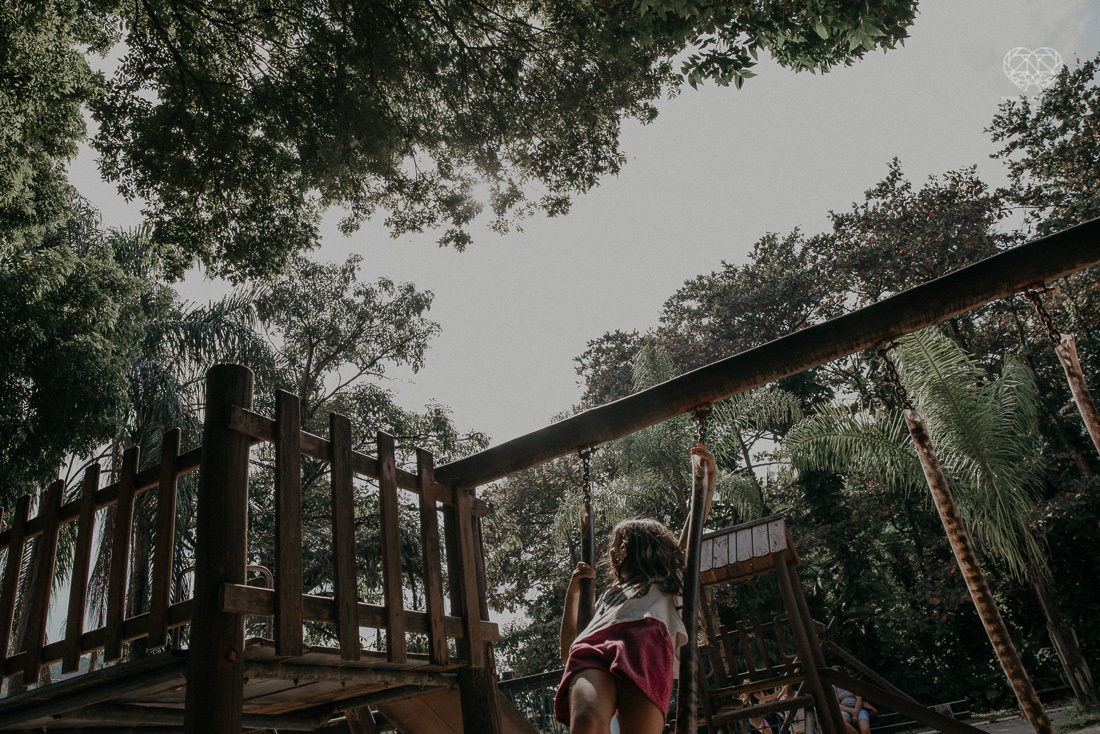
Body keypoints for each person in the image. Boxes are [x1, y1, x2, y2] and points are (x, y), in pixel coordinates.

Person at [555, 446, 717, 734]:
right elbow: (569, 650)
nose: (612, 550)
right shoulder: (609, 595)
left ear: (639, 549)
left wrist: (705, 484)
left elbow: (694, 525)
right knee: (587, 724)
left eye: (619, 543)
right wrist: (573, 596)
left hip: (645, 645)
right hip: (593, 647)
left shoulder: (670, 578)